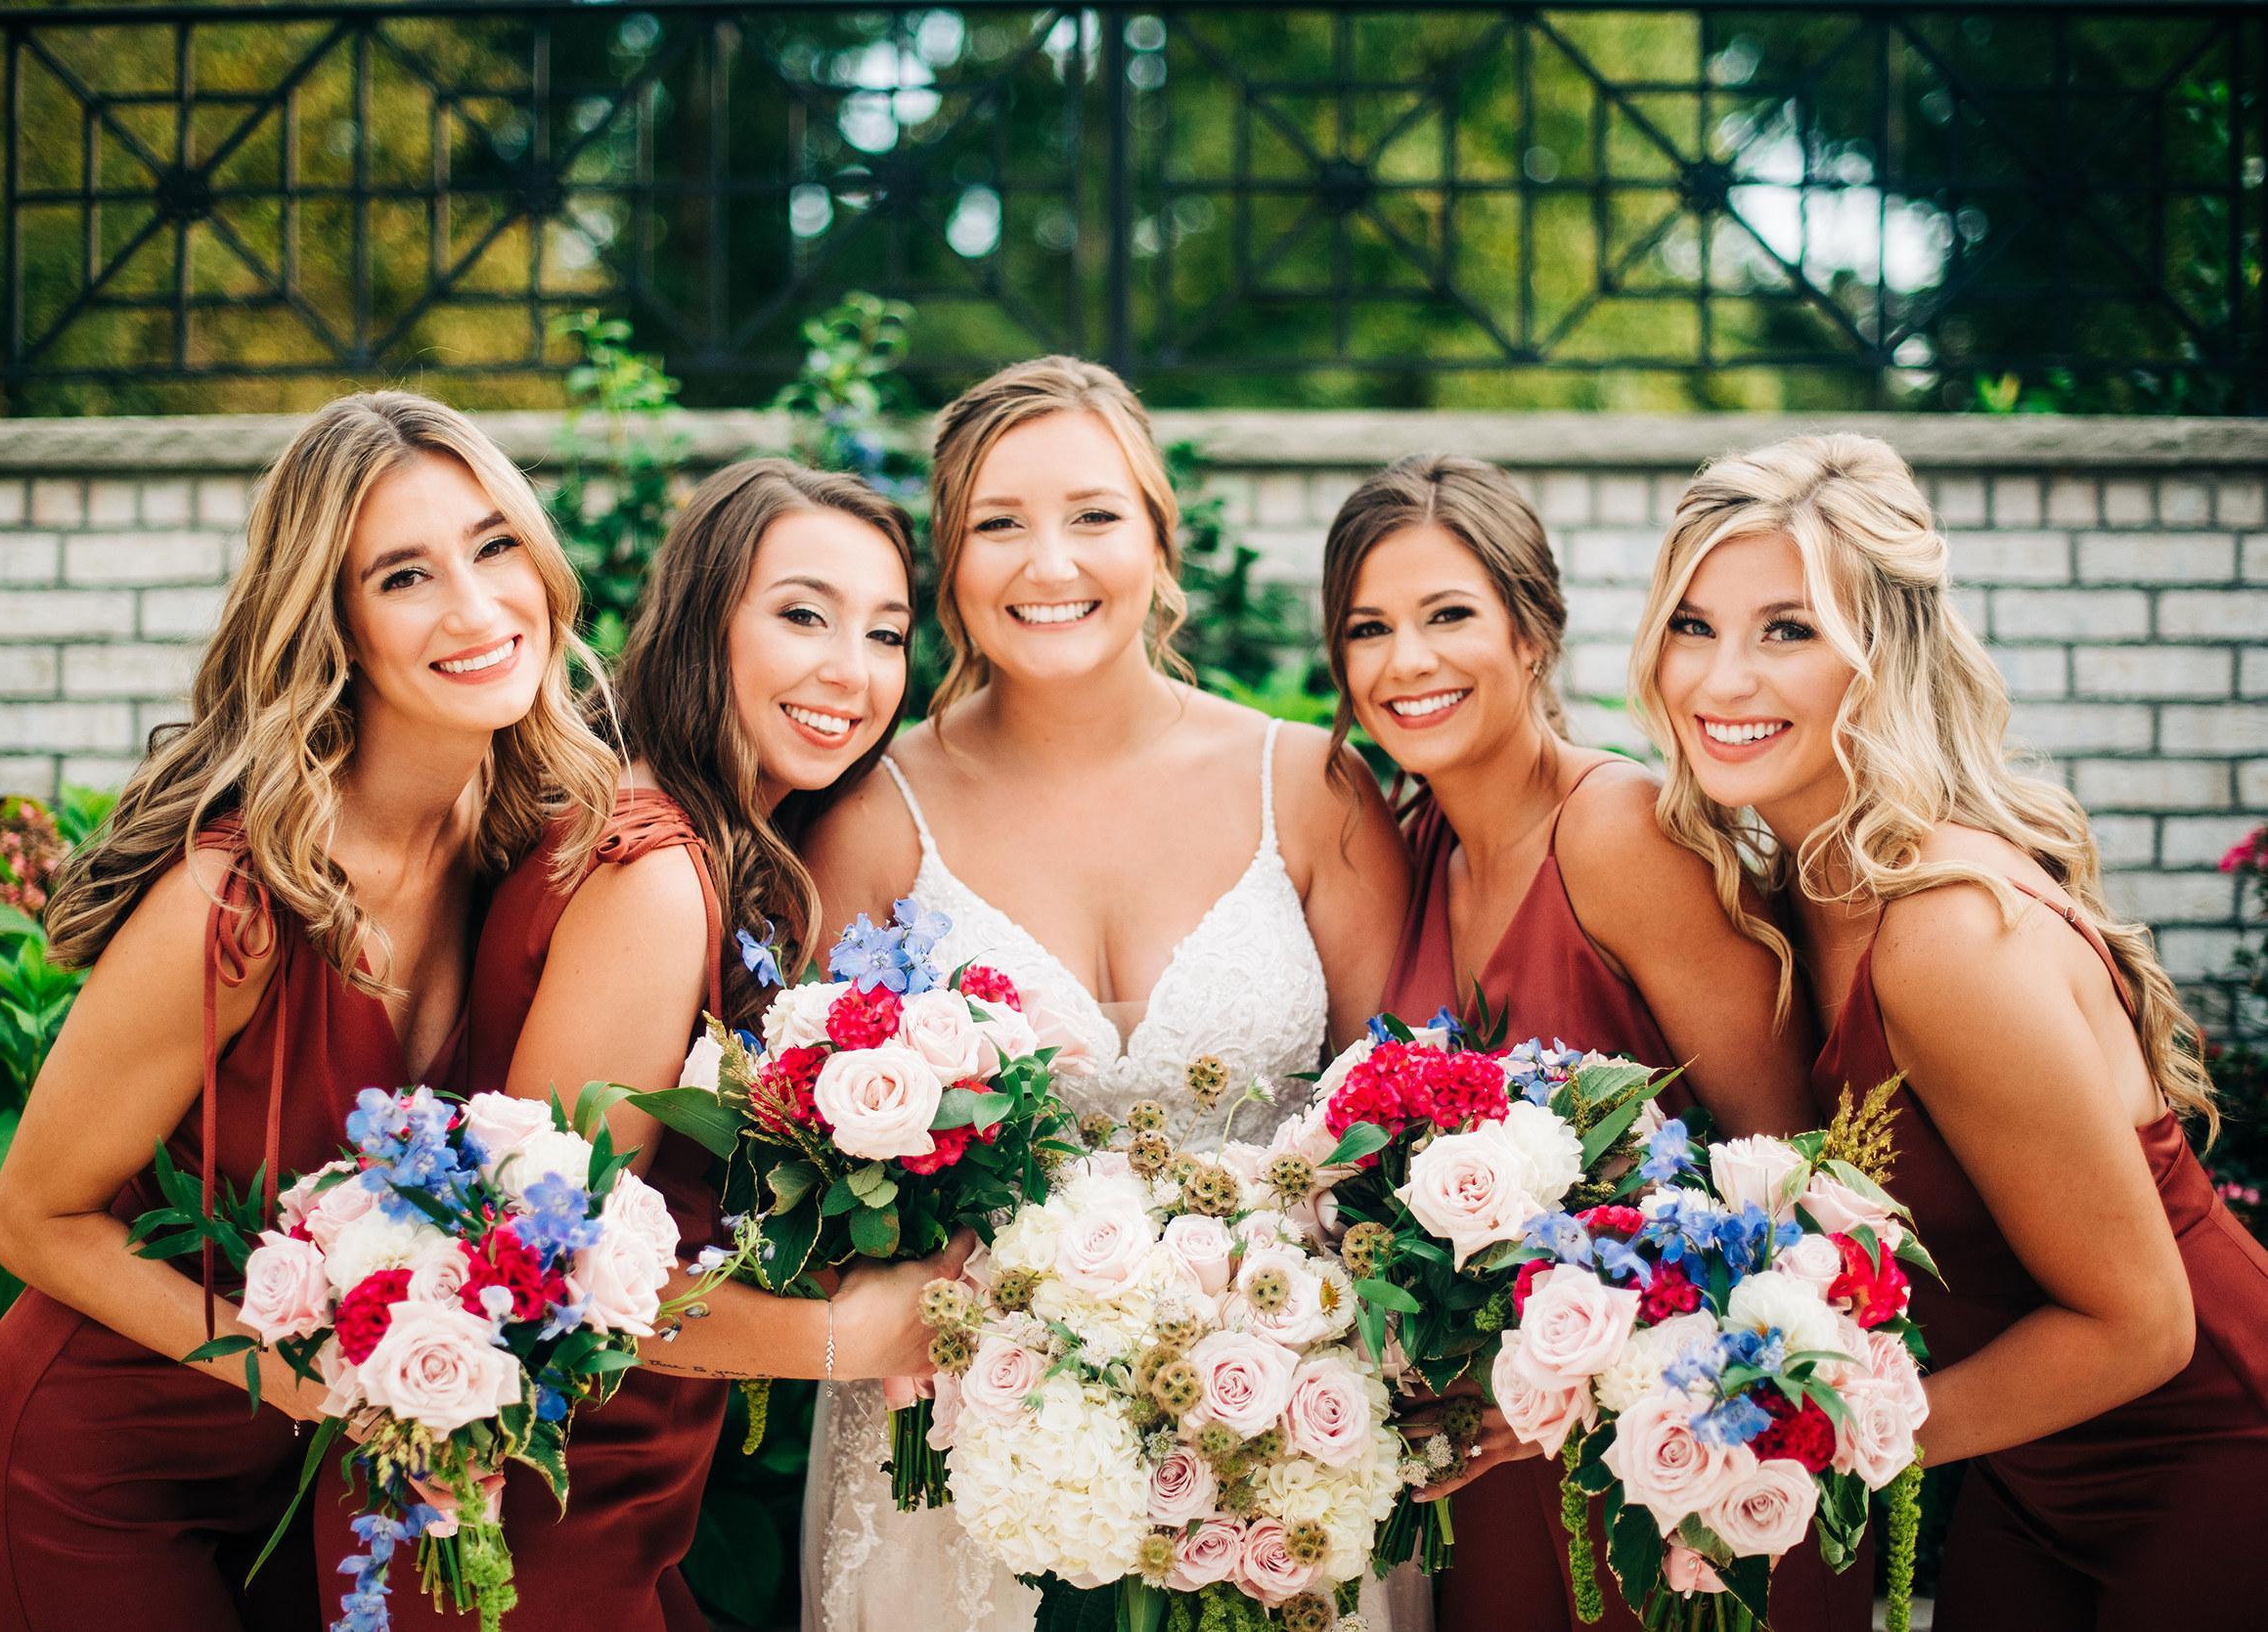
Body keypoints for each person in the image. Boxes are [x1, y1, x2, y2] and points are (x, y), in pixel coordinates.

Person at [0, 391, 620, 1630]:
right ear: (334, 627)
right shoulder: (237, 906)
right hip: (105, 1469)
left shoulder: (522, 847)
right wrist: (344, 1392)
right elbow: (31, 1219)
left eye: (495, 546)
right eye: (405, 576)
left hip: (320, 1481)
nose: (476, 606)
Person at [798, 357, 1410, 1632]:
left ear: (1158, 539)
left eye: (1093, 514)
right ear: (949, 567)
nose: (1050, 562)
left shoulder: (1307, 788)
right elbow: (823, 1163)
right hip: (966, 1461)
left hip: (1275, 1444)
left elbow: (1389, 1131)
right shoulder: (871, 812)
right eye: (999, 524)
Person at [311, 457, 969, 1630]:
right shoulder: (657, 874)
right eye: (803, 615)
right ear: (703, 625)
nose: (852, 670)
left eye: (885, 632)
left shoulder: (717, 847)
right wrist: (840, 1337)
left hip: (616, 1494)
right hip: (513, 1502)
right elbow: (542, 1272)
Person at [1631, 430, 2268, 1630]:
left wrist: (1794, 1447)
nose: (1721, 680)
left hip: (2212, 1458)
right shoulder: (1792, 893)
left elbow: (2142, 1322)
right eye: (1692, 626)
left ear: (1883, 656)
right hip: (2033, 1474)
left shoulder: (1943, 934)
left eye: (1787, 630)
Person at [1325, 454, 1849, 1631]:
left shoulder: (1618, 833)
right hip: (1493, 1478)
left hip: (1674, 1478)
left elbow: (1792, 1185)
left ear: (1531, 633)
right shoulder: (1418, 847)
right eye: (1368, 628)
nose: (1405, 661)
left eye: (1447, 615)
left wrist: (1579, 1374)